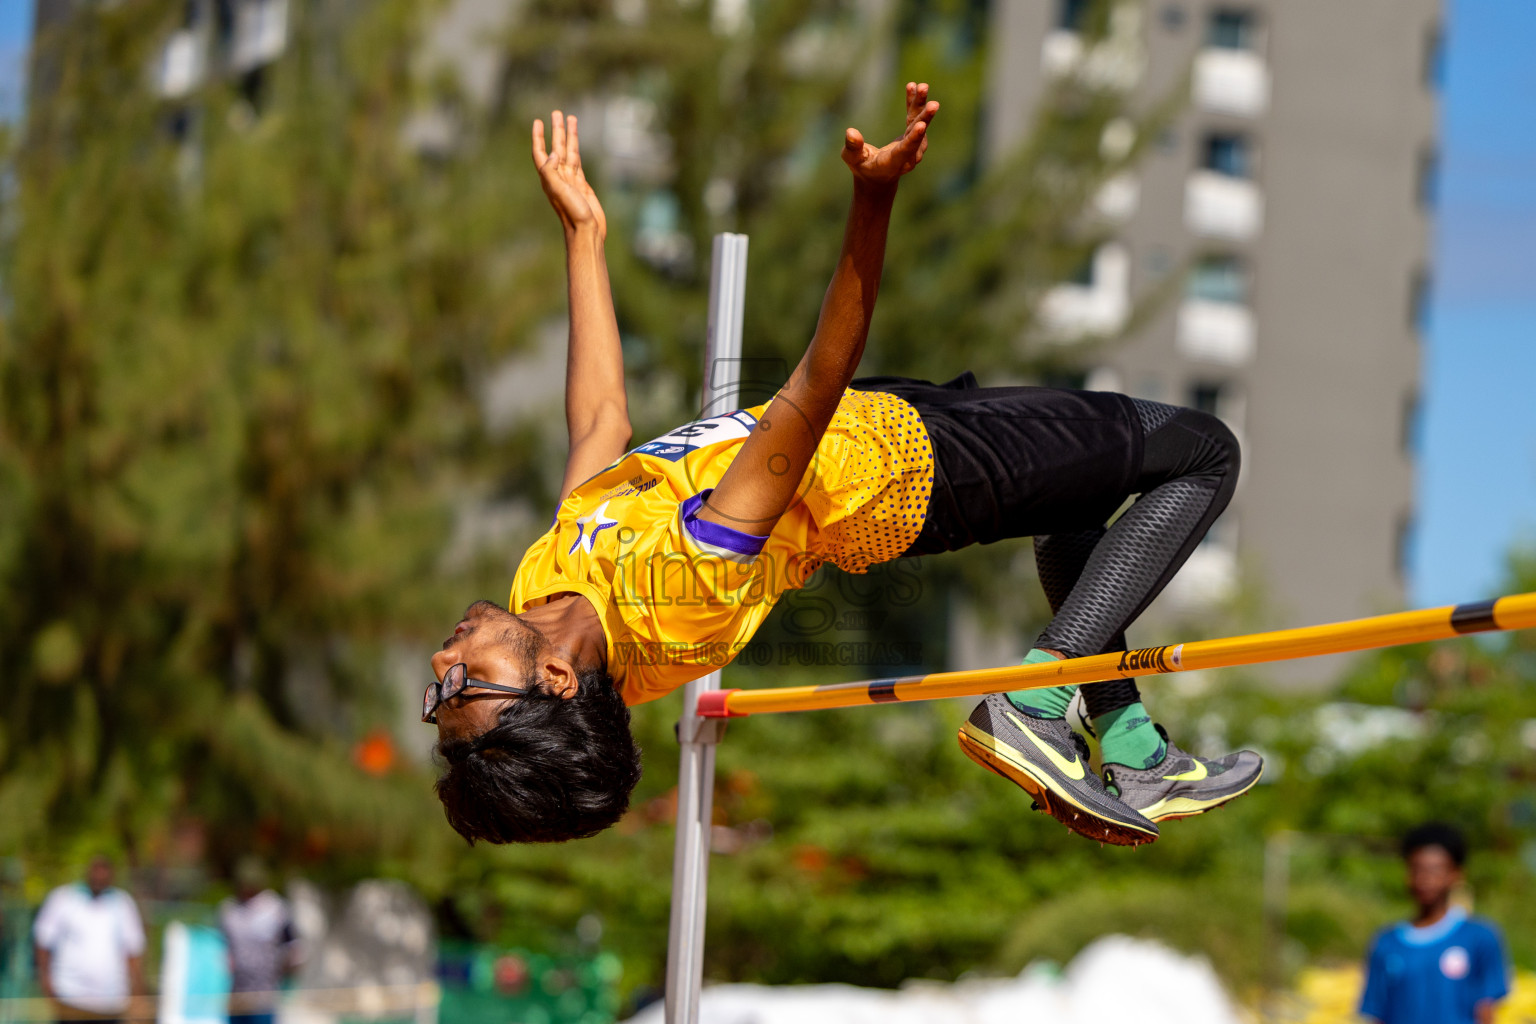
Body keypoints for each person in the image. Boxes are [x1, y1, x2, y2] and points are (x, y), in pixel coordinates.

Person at [427, 82, 1262, 847]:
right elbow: (811, 388)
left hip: (891, 425)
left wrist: (585, 235)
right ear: (561, 680)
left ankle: (1131, 746)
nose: (442, 666)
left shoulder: (546, 582)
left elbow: (601, 418)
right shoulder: (675, 600)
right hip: (914, 469)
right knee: (1202, 453)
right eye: (465, 689)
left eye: (441, 696)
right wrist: (873, 202)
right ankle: (1034, 701)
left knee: (1078, 507)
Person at [1360, 823, 1509, 1024]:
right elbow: (1377, 1013)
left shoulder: (1479, 937)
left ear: (1456, 874)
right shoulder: (1386, 943)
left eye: (1435, 870)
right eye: (1417, 869)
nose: (1425, 880)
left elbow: (1486, 1010)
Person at [32, 856, 146, 1024]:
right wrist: (46, 983)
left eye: (104, 871)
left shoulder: (122, 903)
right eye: (96, 870)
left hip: (110, 1003)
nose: (99, 876)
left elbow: (133, 950)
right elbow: (43, 941)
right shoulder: (64, 898)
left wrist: (137, 993)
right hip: (69, 999)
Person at [217, 858, 299, 1024]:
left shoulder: (275, 908)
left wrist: (284, 977)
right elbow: (222, 949)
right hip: (236, 996)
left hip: (264, 996)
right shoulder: (229, 910)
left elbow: (294, 949)